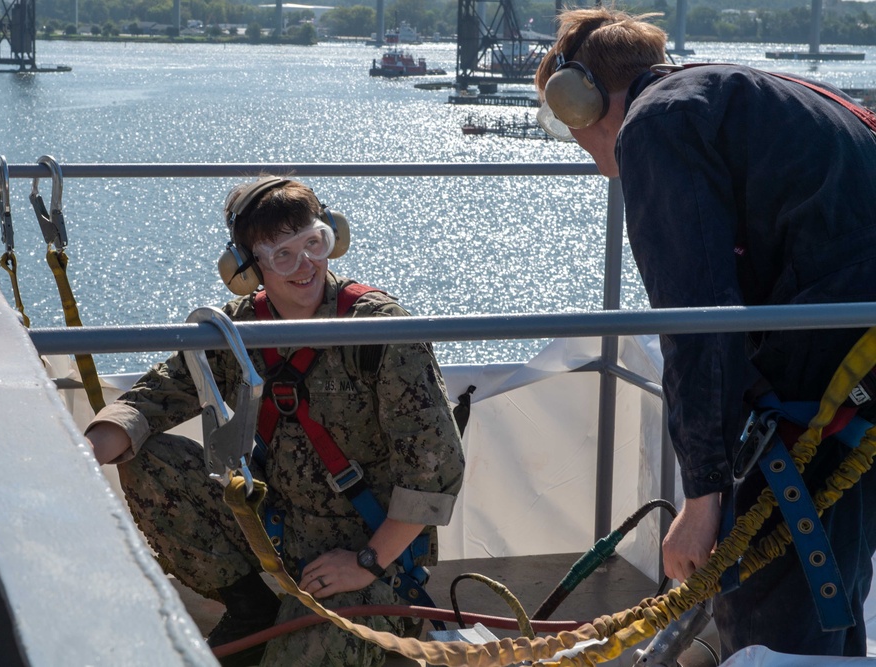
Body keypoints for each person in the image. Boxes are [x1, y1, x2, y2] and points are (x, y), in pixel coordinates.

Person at [534, 8, 876, 659]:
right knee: (830, 578)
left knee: (768, 600)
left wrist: (702, 496)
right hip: (854, 362)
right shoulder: (727, 93)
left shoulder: (655, 126)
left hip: (827, 369)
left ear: (577, 100)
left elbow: (696, 320)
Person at [85, 175, 465, 667]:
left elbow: (434, 472)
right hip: (279, 528)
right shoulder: (238, 328)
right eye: (282, 255)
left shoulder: (378, 329)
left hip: (365, 551)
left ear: (332, 236)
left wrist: (368, 563)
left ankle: (363, 610)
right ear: (249, 269)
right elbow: (156, 395)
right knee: (147, 459)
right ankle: (252, 607)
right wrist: (80, 457)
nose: (305, 265)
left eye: (314, 243)